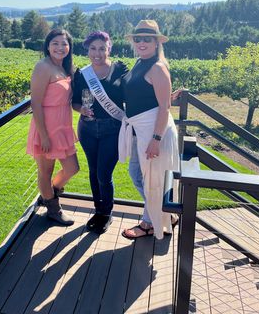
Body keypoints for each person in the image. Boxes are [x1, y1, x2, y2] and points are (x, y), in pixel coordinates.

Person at [119, 20, 180, 240]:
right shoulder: (139, 62)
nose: (142, 42)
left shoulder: (158, 67)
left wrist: (156, 139)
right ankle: (165, 213)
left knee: (152, 179)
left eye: (147, 39)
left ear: (156, 43)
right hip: (140, 130)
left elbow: (164, 108)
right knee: (139, 175)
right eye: (138, 39)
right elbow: (150, 97)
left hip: (155, 132)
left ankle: (149, 223)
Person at [72, 31, 128, 234]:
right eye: (93, 48)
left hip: (112, 129)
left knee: (104, 173)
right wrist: (81, 109)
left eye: (102, 48)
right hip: (87, 128)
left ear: (109, 48)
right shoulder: (82, 73)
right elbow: (75, 102)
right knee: (93, 172)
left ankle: (107, 213)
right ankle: (98, 210)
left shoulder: (119, 69)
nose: (97, 53)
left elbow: (134, 92)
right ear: (87, 50)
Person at [26, 28, 79, 225]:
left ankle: (49, 193)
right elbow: (35, 103)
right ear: (48, 46)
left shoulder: (65, 67)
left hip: (62, 127)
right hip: (46, 128)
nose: (60, 47)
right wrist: (44, 136)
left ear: (69, 47)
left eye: (64, 44)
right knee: (45, 172)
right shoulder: (43, 67)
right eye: (55, 43)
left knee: (72, 168)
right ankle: (53, 209)